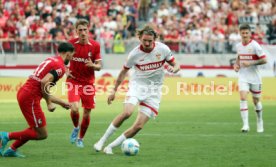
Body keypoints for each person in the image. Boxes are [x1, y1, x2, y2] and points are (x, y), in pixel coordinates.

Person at [93, 25, 180, 154]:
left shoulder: (163, 49)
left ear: (155, 39)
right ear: (139, 38)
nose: (147, 43)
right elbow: (123, 72)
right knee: (127, 113)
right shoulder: (134, 54)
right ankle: (101, 141)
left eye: (150, 41)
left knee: (138, 126)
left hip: (154, 92)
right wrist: (113, 91)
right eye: (144, 40)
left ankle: (110, 147)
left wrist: (175, 69)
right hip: (137, 87)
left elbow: (176, 64)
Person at [0, 42, 74, 157]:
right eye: (72, 54)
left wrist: (62, 103)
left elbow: (44, 90)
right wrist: (49, 103)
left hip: (25, 93)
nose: (72, 57)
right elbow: (44, 82)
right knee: (42, 134)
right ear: (67, 53)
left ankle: (12, 149)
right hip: (30, 97)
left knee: (34, 128)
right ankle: (6, 136)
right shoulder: (60, 66)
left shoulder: (52, 60)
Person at [67, 19, 102, 148]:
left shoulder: (95, 45)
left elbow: (99, 66)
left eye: (85, 30)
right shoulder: (70, 44)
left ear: (88, 30)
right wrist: (66, 71)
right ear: (76, 31)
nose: (83, 32)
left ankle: (80, 139)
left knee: (87, 112)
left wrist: (93, 65)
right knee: (75, 108)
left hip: (88, 84)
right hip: (73, 81)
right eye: (80, 30)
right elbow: (62, 61)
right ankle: (76, 127)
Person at [233, 24, 267, 133]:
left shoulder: (255, 45)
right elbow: (238, 57)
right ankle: (245, 125)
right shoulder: (238, 46)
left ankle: (259, 120)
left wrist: (252, 63)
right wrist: (236, 65)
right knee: (243, 97)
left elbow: (264, 60)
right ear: (240, 33)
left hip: (255, 77)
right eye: (242, 33)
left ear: (250, 33)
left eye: (246, 33)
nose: (244, 35)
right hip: (243, 76)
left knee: (256, 100)